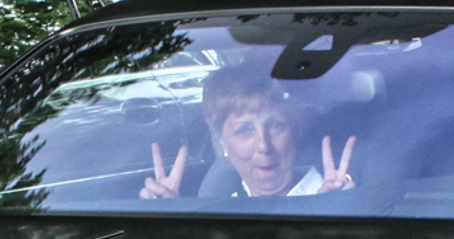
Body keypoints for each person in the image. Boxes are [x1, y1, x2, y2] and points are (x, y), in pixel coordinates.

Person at [140, 68, 355, 200]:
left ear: (294, 133)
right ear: (223, 145)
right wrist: (174, 217)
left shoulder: (338, 195)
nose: (264, 145)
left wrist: (339, 209)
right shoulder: (222, 209)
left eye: (275, 126)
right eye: (244, 130)